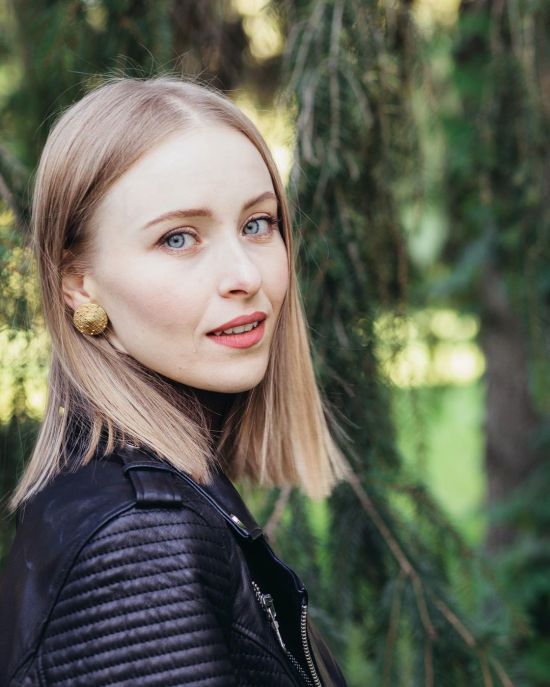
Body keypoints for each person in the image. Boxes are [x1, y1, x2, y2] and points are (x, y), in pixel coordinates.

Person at [0, 76, 350, 686]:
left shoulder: (154, 492)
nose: (245, 276)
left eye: (257, 224)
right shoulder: (139, 541)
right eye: (179, 238)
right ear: (78, 283)